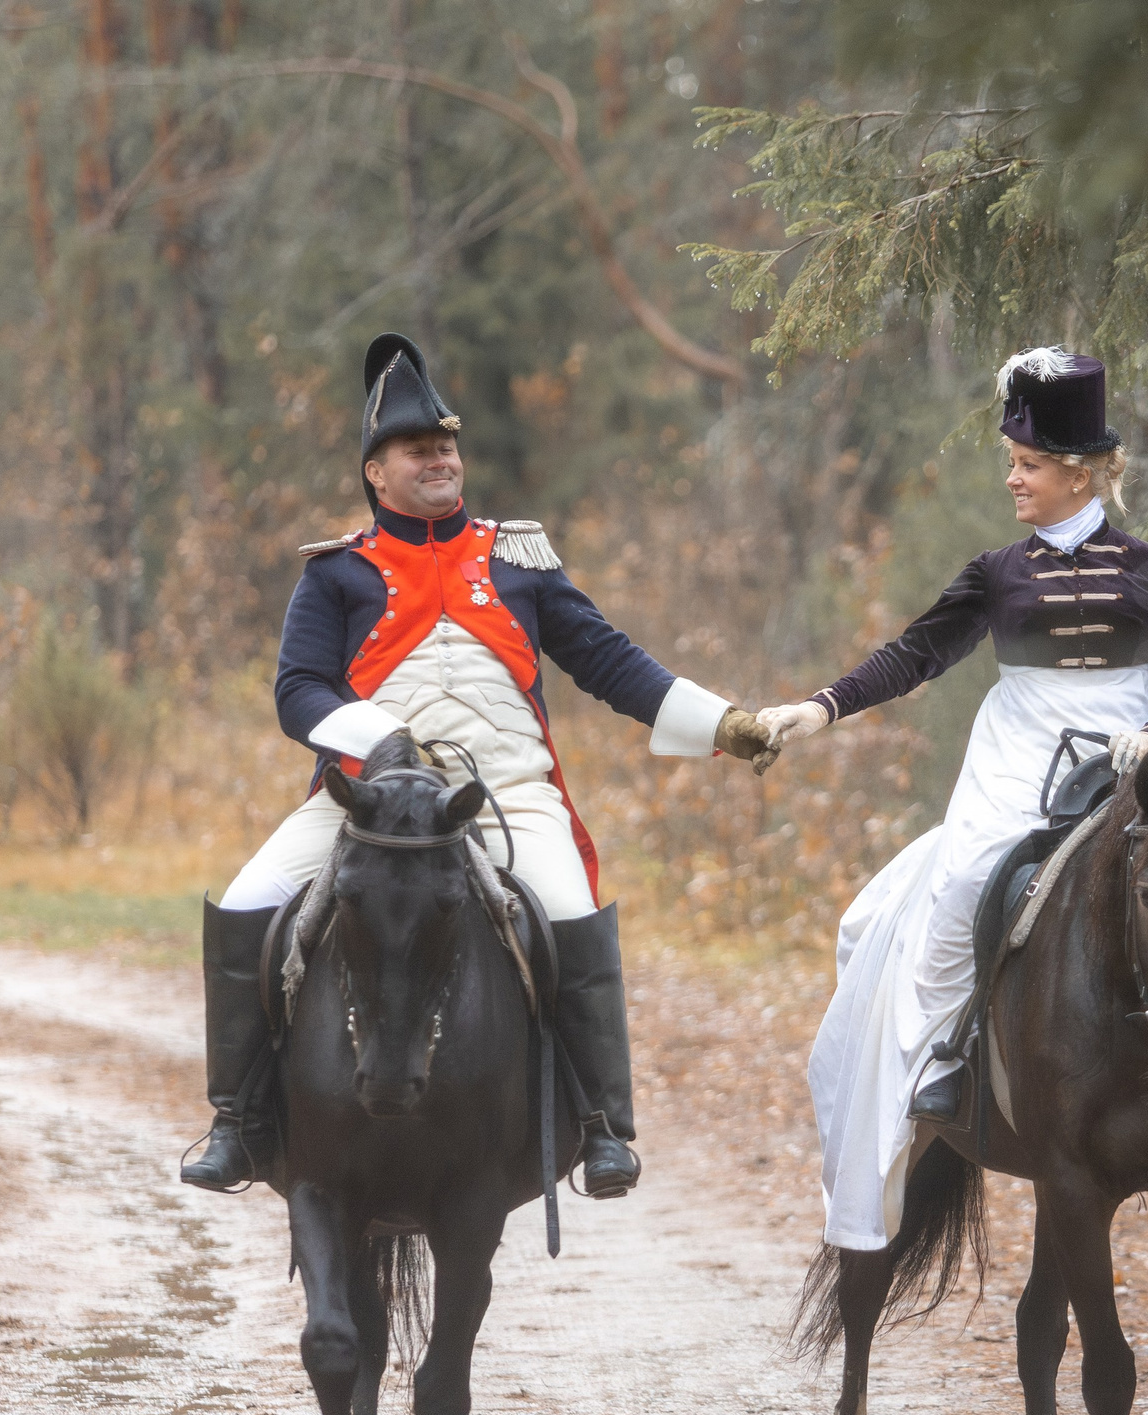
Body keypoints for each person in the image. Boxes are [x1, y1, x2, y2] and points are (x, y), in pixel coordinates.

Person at [756, 347, 1148, 1253]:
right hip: (1021, 747)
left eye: (1027, 465)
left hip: (1147, 744)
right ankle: (943, 1062)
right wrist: (818, 708)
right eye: (1011, 463)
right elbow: (914, 655)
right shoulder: (995, 572)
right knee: (957, 887)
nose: (1012, 479)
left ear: (1078, 472)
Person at [182, 332, 771, 1197]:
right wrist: (378, 743)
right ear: (374, 474)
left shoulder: (518, 556)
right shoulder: (336, 574)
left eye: (447, 446)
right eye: (417, 449)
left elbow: (608, 661)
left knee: (570, 910)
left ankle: (605, 1125)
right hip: (365, 805)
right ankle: (236, 1120)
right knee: (244, 903)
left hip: (508, 802)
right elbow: (298, 691)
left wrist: (721, 721)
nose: (439, 459)